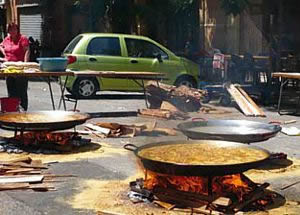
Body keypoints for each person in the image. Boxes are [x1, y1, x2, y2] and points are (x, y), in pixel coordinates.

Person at [0, 23, 30, 111]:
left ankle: (23, 111)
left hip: (20, 68)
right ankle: (12, 111)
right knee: (11, 92)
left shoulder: (22, 38)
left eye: (14, 29)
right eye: (10, 30)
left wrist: (25, 64)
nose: (12, 31)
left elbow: (27, 51)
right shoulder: (7, 39)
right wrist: (5, 54)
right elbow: (1, 45)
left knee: (21, 92)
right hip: (9, 69)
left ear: (17, 30)